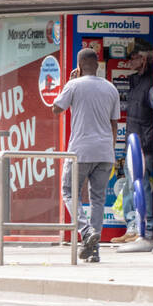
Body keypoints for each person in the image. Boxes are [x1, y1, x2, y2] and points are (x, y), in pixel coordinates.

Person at [52, 48, 121, 263]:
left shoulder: (74, 85)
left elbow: (56, 108)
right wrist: (109, 146)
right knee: (98, 198)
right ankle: (94, 250)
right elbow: (114, 123)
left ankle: (87, 231)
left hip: (80, 151)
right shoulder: (111, 88)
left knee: (68, 190)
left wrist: (69, 83)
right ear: (98, 65)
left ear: (79, 66)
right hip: (105, 152)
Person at [117, 38, 153, 242]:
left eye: (134, 57)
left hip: (145, 143)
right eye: (129, 57)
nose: (129, 60)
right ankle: (133, 227)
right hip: (133, 142)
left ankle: (147, 226)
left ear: (145, 58)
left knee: (143, 186)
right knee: (130, 185)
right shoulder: (135, 81)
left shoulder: (152, 82)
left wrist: (147, 140)